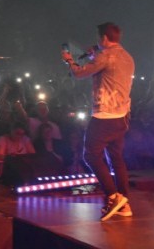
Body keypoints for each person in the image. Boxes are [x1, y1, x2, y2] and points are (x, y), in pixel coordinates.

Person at [61, 22, 135, 221]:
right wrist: (94, 55)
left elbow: (79, 73)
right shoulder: (127, 57)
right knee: (116, 158)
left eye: (97, 38)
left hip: (104, 116)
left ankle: (112, 196)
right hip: (122, 117)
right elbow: (108, 71)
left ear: (103, 38)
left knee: (91, 156)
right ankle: (124, 203)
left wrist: (69, 60)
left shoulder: (106, 56)